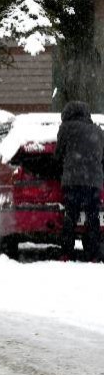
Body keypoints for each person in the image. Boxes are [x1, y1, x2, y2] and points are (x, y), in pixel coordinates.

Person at [55, 101, 104, 262]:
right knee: (93, 216)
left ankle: (66, 252)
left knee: (70, 215)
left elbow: (58, 154)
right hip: (94, 181)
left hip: (73, 179)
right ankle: (94, 253)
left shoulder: (66, 129)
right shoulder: (98, 131)